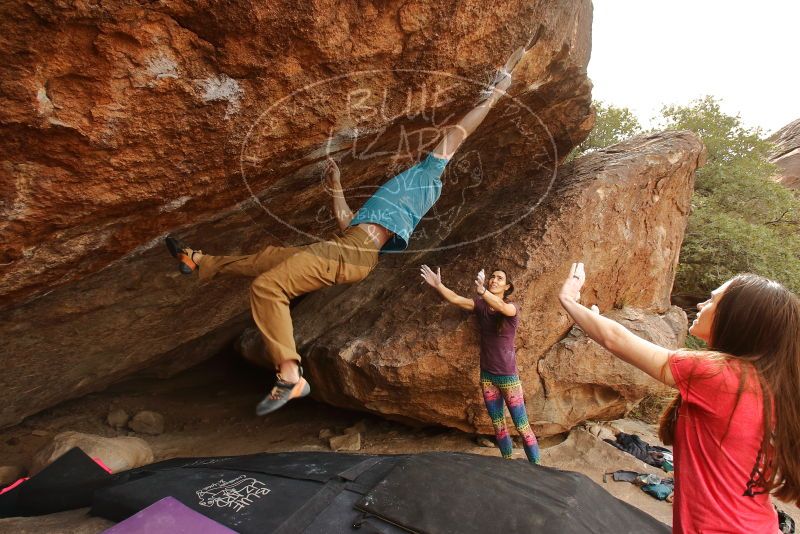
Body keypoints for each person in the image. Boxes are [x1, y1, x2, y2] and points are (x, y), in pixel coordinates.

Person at [164, 47, 527, 416]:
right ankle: (199, 262)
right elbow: (345, 221)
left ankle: (291, 374)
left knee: (268, 286)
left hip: (355, 254)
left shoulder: (425, 176)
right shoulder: (383, 197)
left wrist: (494, 94)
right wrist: (336, 183)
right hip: (346, 244)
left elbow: (459, 132)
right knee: (269, 258)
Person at [558, 263, 800, 533]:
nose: (700, 305)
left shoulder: (717, 375)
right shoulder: (772, 386)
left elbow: (617, 340)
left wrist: (569, 300)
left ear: (736, 318)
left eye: (711, 300)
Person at [420, 265, 540, 464]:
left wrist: (483, 291)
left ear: (507, 286)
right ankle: (507, 463)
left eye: (499, 278)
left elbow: (502, 307)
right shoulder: (481, 305)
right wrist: (438, 285)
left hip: (508, 378)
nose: (494, 280)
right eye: (492, 277)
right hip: (488, 377)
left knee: (522, 425)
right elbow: (457, 299)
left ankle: (537, 468)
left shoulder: (513, 308)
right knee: (498, 426)